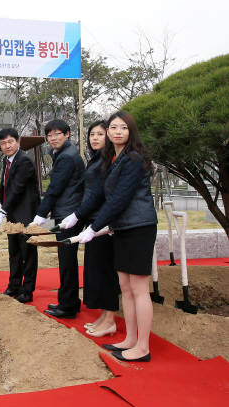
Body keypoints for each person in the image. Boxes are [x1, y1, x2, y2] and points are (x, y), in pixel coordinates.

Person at [79, 111, 157, 362]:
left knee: (139, 287)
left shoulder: (134, 158)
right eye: (113, 127)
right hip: (122, 227)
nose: (117, 132)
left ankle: (142, 346)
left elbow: (121, 198)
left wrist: (94, 228)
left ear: (130, 132)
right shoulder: (114, 158)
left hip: (139, 226)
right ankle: (131, 339)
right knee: (125, 285)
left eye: (123, 128)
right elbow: (105, 195)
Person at [59, 121, 120, 336]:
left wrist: (77, 215)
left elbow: (99, 194)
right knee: (96, 270)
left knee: (105, 271)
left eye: (100, 134)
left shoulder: (109, 160)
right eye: (92, 134)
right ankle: (104, 316)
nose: (95, 138)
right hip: (92, 221)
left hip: (103, 222)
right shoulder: (96, 159)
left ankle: (110, 319)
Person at [30, 119, 85, 319]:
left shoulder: (67, 157)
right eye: (49, 135)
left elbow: (55, 189)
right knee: (66, 260)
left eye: (57, 134)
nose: (53, 138)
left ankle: (68, 305)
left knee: (67, 261)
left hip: (68, 215)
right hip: (65, 212)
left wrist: (40, 215)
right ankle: (68, 301)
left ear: (67, 134)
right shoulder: (63, 153)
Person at [0, 128, 40, 303]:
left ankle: (27, 291)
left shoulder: (24, 161)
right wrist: (1, 203)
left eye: (10, 142)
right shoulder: (7, 160)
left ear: (18, 142)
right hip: (12, 212)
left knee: (28, 252)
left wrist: (2, 211)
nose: (7, 146)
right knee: (14, 252)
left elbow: (18, 188)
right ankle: (14, 285)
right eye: (3, 143)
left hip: (26, 213)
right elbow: (5, 186)